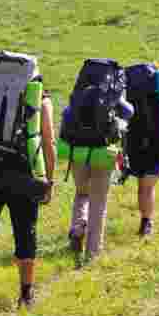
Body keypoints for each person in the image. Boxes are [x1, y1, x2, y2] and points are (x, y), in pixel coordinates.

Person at [0, 71, 56, 309]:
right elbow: (48, 142)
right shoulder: (42, 101)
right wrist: (49, 180)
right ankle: (26, 296)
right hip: (24, 177)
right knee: (26, 233)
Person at [62, 62, 131, 261]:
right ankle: (92, 252)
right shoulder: (112, 94)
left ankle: (77, 228)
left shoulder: (79, 92)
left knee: (82, 193)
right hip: (102, 153)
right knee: (98, 202)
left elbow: (67, 115)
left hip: (77, 151)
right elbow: (129, 112)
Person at [123, 62, 159, 237]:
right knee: (147, 186)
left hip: (134, 143)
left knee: (142, 185)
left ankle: (145, 221)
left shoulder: (130, 93)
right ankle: (146, 222)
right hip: (157, 143)